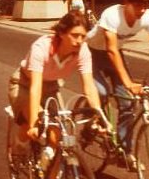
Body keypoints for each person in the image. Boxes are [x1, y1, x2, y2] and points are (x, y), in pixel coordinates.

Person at [85, 0, 149, 163]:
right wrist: (128, 83)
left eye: (145, 5)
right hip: (92, 53)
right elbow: (111, 49)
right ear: (127, 2)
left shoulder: (148, 17)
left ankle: (124, 150)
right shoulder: (112, 14)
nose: (142, 10)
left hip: (115, 54)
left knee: (128, 103)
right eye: (138, 5)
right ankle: (90, 124)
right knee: (100, 92)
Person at [8, 10, 103, 148]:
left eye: (83, 36)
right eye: (75, 35)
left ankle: (51, 167)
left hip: (51, 87)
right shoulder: (41, 47)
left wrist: (99, 115)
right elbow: (36, 87)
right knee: (32, 124)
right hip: (24, 85)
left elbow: (89, 86)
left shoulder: (83, 51)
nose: (79, 41)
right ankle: (19, 147)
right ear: (62, 33)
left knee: (57, 136)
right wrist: (35, 122)